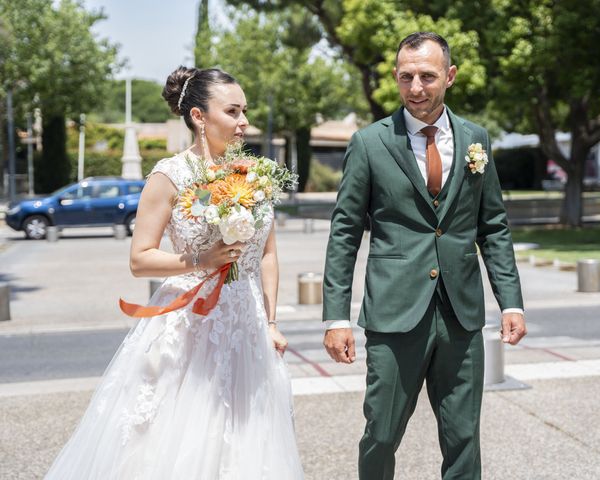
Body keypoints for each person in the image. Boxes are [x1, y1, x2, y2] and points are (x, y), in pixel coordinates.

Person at [45, 66, 304, 479]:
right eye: (233, 112)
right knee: (180, 434)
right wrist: (204, 260)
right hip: (190, 325)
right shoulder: (170, 175)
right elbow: (140, 259)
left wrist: (270, 322)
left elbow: (267, 254)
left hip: (248, 321)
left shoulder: (252, 174)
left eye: (245, 112)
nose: (244, 123)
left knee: (249, 434)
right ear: (199, 116)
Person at [322, 32, 527, 480]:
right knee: (381, 432)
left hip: (461, 314)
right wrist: (335, 317)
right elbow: (344, 233)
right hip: (394, 314)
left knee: (464, 437)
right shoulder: (369, 143)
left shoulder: (477, 139)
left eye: (427, 76)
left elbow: (492, 226)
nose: (416, 87)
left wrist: (510, 301)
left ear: (449, 76)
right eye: (406, 77)